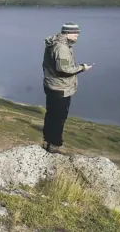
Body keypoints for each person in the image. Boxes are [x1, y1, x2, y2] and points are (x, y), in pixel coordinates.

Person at [41, 23, 92, 154]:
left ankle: (47, 141)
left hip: (52, 85)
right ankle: (55, 146)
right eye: (75, 32)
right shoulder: (62, 48)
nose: (77, 35)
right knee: (59, 117)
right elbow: (63, 69)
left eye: (78, 32)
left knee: (51, 115)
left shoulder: (56, 44)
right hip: (60, 88)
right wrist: (82, 68)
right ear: (67, 33)